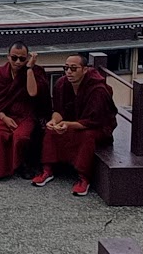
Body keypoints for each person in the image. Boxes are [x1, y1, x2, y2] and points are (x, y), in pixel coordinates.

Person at [34, 53, 118, 196]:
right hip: (72, 123)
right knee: (50, 131)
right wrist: (54, 121)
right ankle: (47, 170)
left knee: (87, 136)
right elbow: (59, 110)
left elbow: (94, 121)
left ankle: (84, 178)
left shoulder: (98, 89)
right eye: (66, 68)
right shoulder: (61, 84)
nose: (69, 72)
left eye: (73, 68)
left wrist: (67, 125)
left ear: (85, 69)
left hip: (97, 127)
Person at [0, 43, 50, 181]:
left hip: (26, 114)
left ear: (27, 59)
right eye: (14, 58)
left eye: (22, 59)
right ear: (8, 57)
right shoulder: (0, 74)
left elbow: (33, 93)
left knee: (21, 137)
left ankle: (22, 165)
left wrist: (29, 69)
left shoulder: (35, 71)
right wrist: (4, 118)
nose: (18, 62)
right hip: (4, 113)